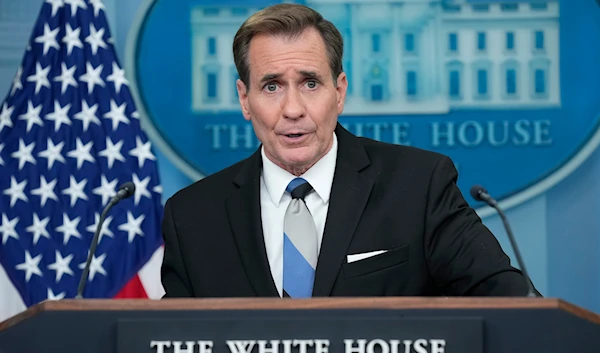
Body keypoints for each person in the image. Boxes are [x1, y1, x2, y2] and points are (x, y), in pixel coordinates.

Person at [160, 3, 537, 298]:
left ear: (339, 92)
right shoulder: (192, 216)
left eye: (310, 83)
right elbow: (166, 337)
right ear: (245, 99)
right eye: (272, 86)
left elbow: (510, 304)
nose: (293, 109)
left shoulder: (419, 187)